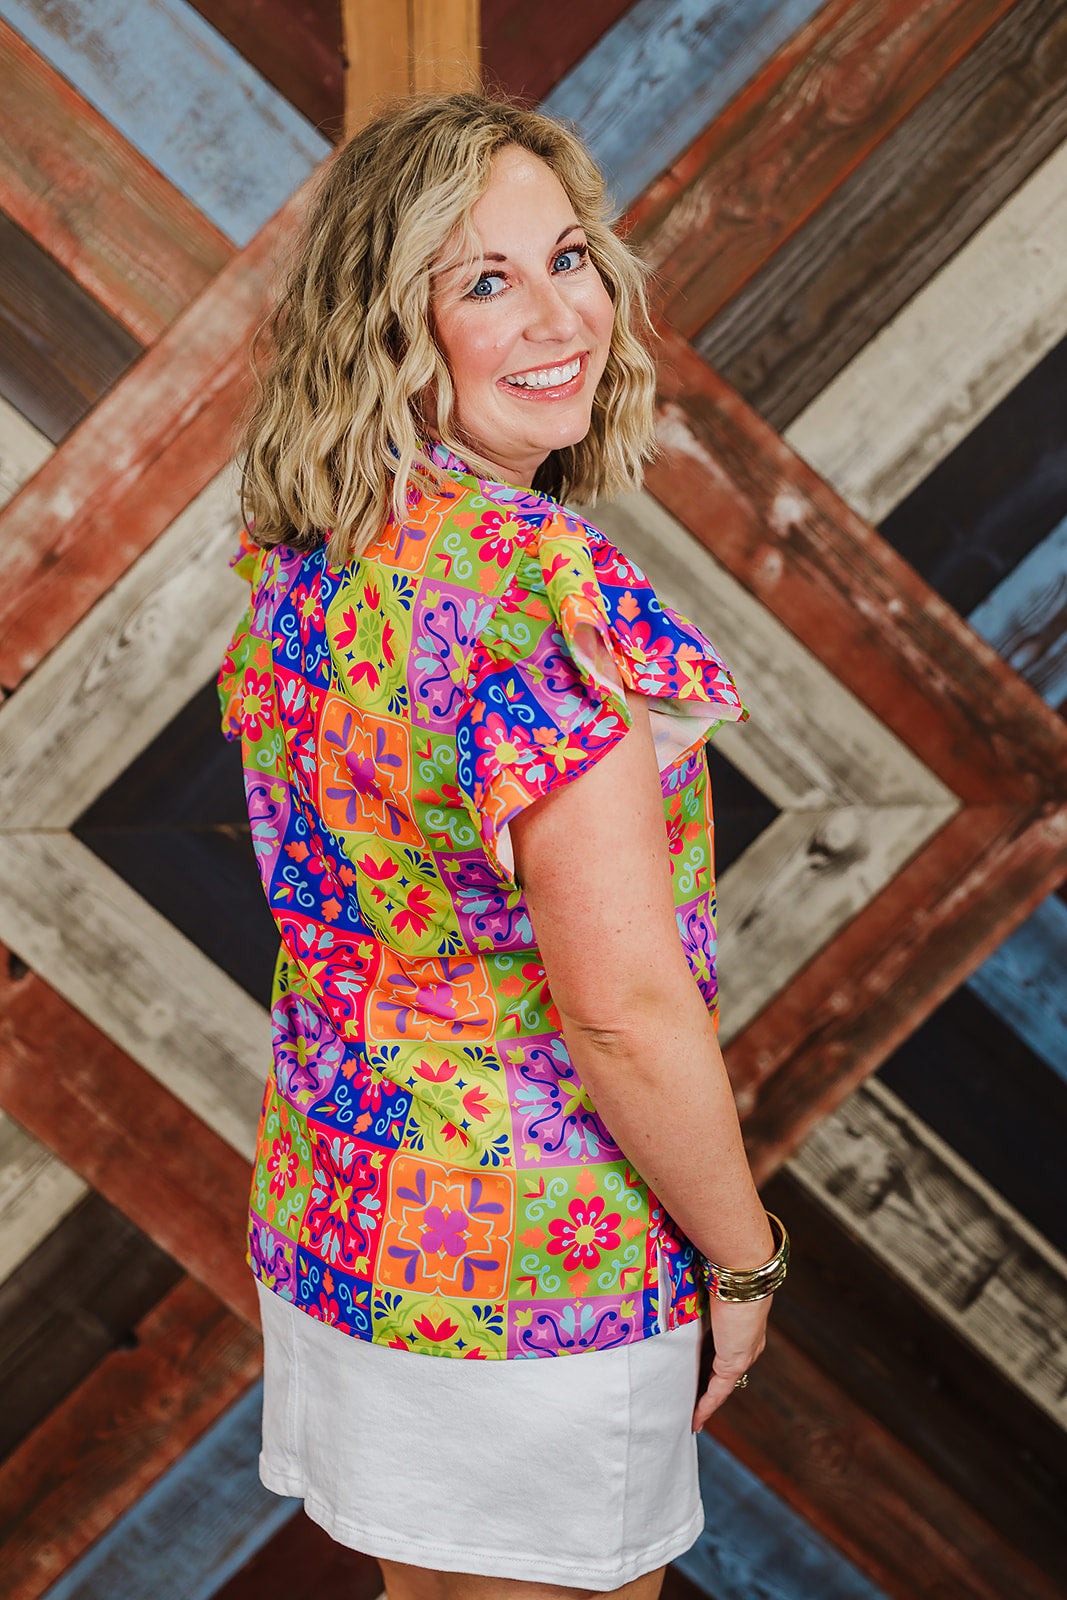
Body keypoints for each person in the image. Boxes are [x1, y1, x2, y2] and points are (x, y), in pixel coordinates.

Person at [219, 91, 787, 1600]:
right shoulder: (543, 593)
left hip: (347, 1234)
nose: (559, 316)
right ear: (391, 328)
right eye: (485, 280)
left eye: (569, 257)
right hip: (536, 1270)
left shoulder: (312, 558)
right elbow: (621, 1009)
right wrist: (745, 1257)